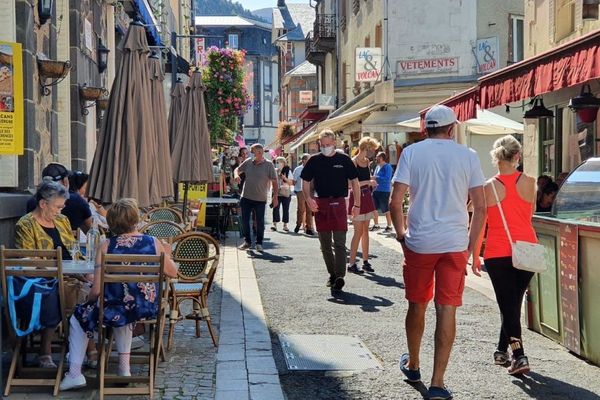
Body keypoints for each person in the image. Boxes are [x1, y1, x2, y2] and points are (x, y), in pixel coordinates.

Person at [389, 105, 486, 400]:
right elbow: (480, 207)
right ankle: (438, 383)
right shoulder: (467, 156)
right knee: (447, 309)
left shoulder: (412, 153)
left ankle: (414, 364)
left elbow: (395, 202)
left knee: (417, 304)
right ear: (452, 128)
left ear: (425, 128)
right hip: (454, 243)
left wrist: (400, 235)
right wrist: (471, 247)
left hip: (420, 242)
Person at [59, 198, 178, 391]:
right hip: (145, 307)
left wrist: (88, 301)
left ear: (112, 222)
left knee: (79, 317)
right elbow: (172, 272)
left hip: (115, 306)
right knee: (123, 313)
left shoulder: (106, 246)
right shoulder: (153, 243)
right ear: (136, 220)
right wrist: (167, 254)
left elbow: (96, 290)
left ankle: (74, 373)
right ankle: (124, 369)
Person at [472, 135, 538, 375]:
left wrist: (474, 254)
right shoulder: (530, 182)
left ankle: (519, 356)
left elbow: (481, 222)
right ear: (517, 156)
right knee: (511, 303)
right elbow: (527, 217)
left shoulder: (487, 187)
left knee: (508, 304)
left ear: (496, 158)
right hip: (527, 249)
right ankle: (501, 350)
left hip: (498, 251)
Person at [15, 180, 75, 368]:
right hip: (41, 280)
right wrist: (56, 271)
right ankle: (78, 352)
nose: (60, 211)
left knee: (92, 289)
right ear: (43, 204)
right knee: (69, 292)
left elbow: (74, 252)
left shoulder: (62, 221)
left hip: (71, 275)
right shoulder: (25, 225)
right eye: (57, 207)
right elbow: (28, 261)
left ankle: (79, 351)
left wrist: (84, 271)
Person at [301, 129, 360, 292]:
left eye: (328, 144)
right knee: (325, 244)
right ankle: (333, 275)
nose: (326, 147)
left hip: (339, 202)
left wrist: (357, 205)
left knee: (340, 243)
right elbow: (305, 182)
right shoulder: (314, 160)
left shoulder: (344, 159)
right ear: (320, 144)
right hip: (321, 204)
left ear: (334, 142)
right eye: (323, 144)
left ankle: (340, 275)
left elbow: (355, 182)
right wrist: (308, 199)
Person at [234, 143, 278, 252]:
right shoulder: (248, 161)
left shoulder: (269, 165)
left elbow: (275, 182)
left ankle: (259, 243)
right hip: (246, 197)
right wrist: (236, 175)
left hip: (260, 199)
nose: (251, 154)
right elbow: (237, 170)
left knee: (259, 222)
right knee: (245, 221)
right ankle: (247, 241)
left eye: (253, 152)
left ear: (260, 152)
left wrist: (275, 196)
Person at [26, 163, 93, 234]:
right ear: (65, 182)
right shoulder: (77, 200)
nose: (59, 212)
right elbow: (91, 229)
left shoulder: (32, 201)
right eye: (58, 207)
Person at [347, 137, 379, 274]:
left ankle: (365, 261)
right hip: (357, 198)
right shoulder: (353, 162)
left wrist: (371, 181)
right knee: (358, 232)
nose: (373, 152)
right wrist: (368, 182)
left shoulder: (367, 162)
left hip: (367, 197)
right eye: (372, 149)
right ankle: (352, 263)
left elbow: (365, 180)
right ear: (366, 148)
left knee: (365, 231)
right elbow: (350, 184)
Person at [371, 151, 394, 232]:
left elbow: (387, 178)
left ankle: (389, 226)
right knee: (374, 208)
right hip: (375, 190)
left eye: (378, 156)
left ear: (382, 158)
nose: (376, 158)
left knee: (386, 209)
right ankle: (376, 225)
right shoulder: (377, 167)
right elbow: (374, 178)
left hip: (384, 191)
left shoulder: (388, 167)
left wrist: (375, 177)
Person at [292, 154, 314, 235]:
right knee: (301, 209)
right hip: (300, 191)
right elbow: (293, 182)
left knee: (309, 209)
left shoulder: (312, 168)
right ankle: (298, 224)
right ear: (304, 160)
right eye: (309, 159)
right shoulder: (298, 169)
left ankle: (309, 228)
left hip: (310, 191)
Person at [271, 157, 293, 231]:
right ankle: (274, 224)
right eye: (276, 162)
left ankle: (285, 225)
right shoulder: (274, 171)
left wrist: (284, 178)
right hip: (276, 192)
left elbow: (291, 183)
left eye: (279, 162)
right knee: (275, 208)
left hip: (285, 192)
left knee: (285, 209)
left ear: (283, 163)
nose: (277, 164)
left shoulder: (288, 171)